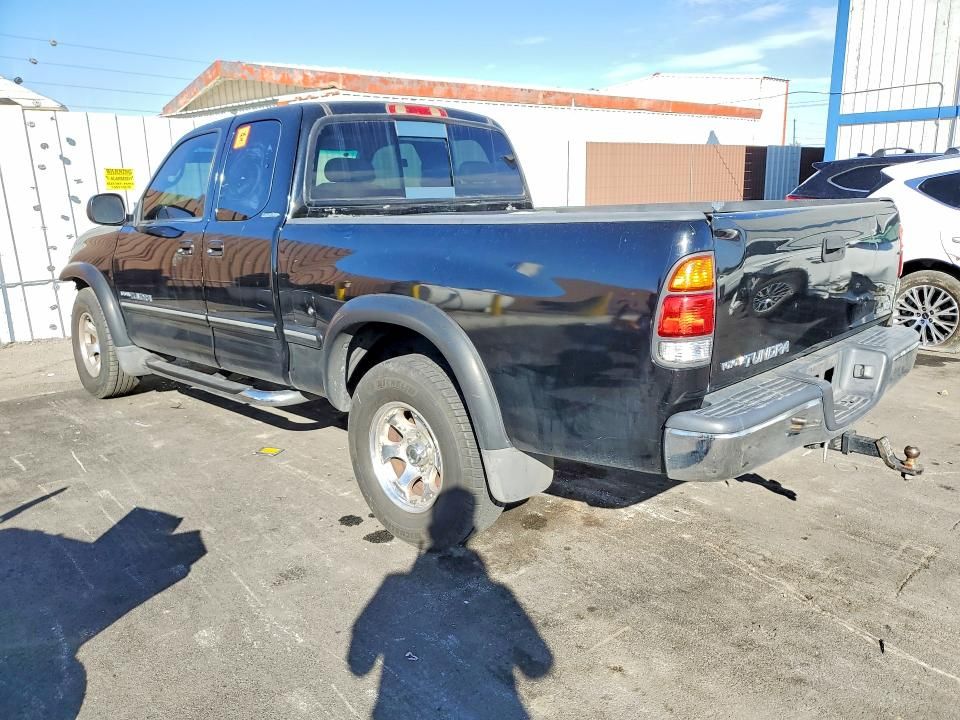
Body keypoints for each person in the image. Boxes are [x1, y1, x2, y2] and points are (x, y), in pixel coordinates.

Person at [348, 488, 553, 719]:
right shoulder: (496, 594)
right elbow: (538, 665)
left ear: (430, 527)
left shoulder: (395, 586)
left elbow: (359, 664)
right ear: (469, 528)